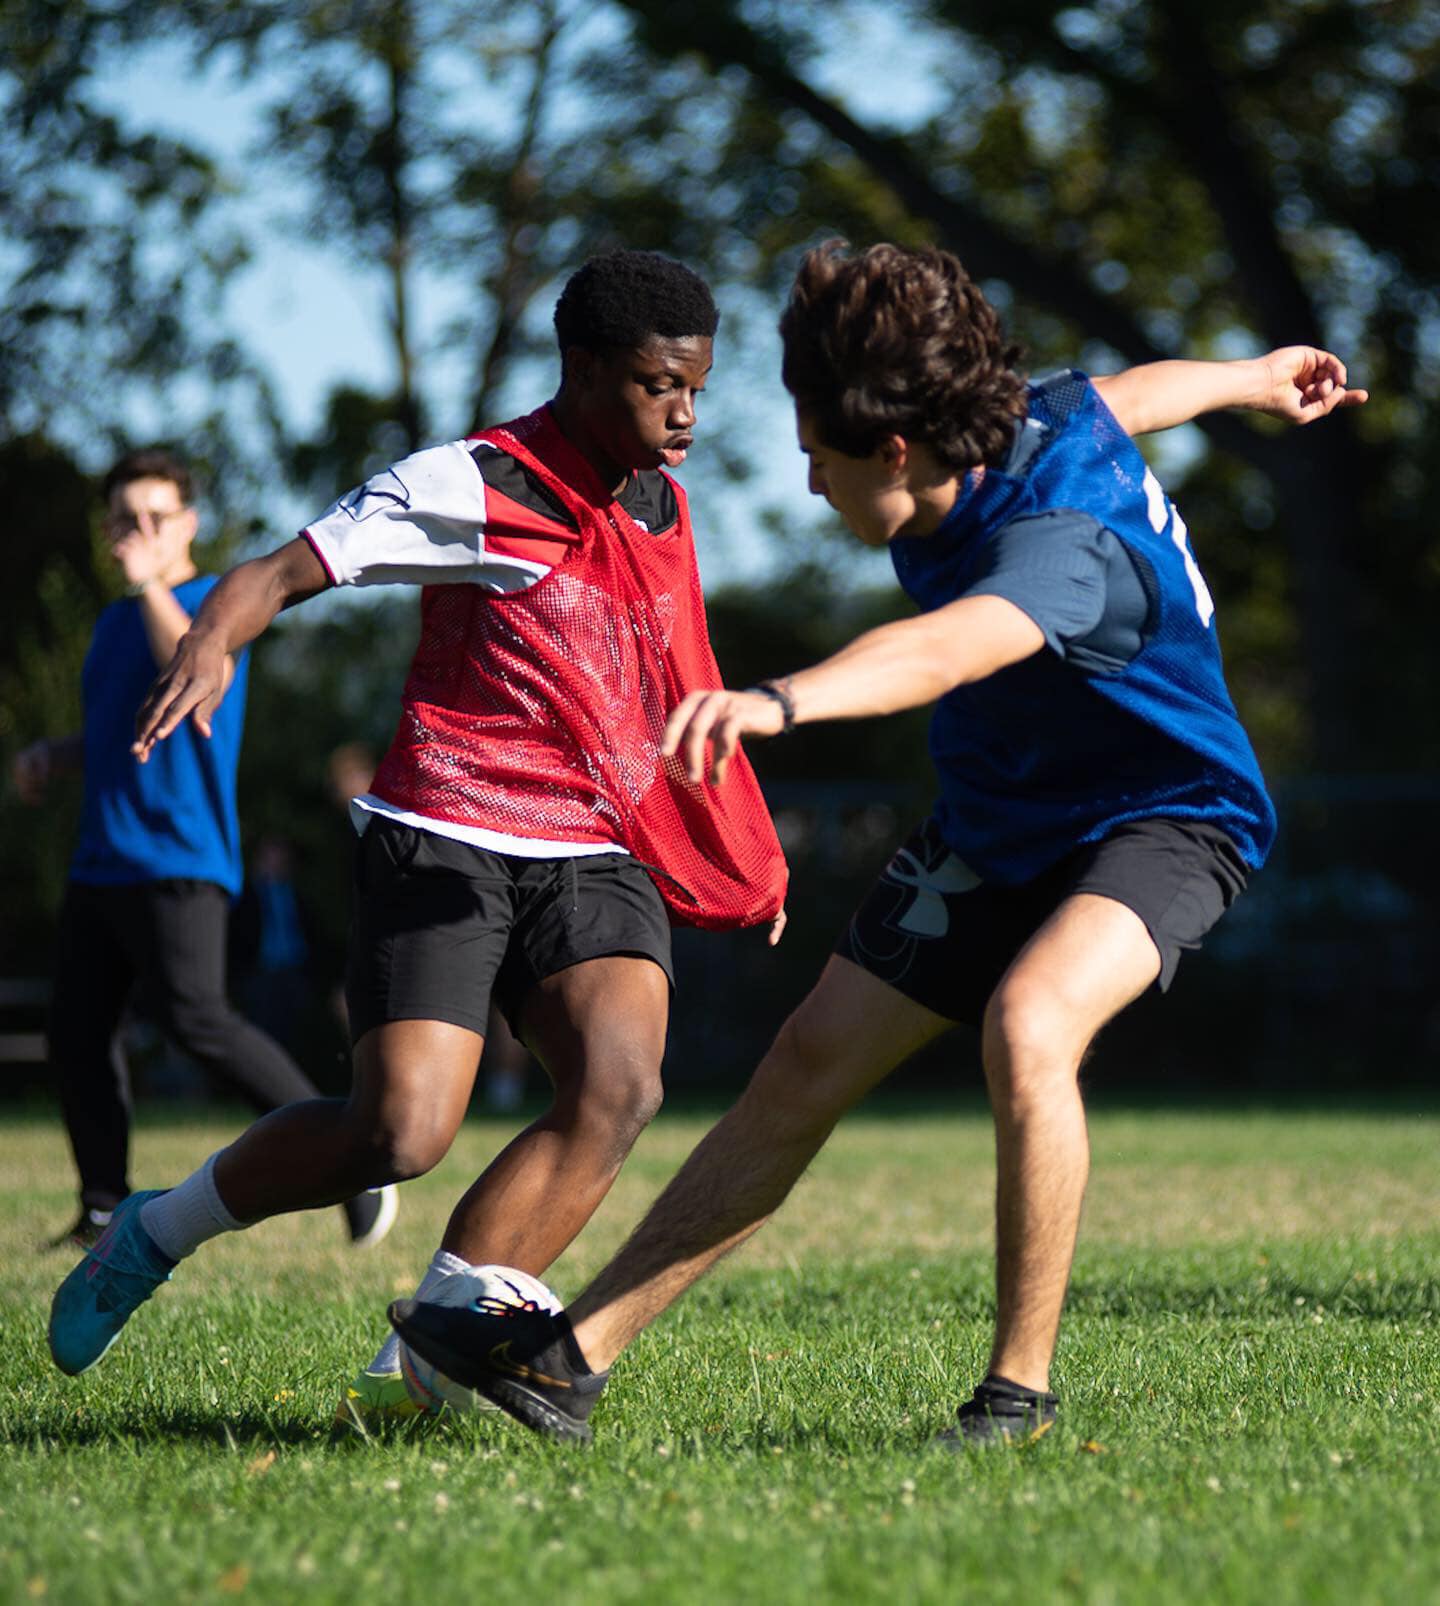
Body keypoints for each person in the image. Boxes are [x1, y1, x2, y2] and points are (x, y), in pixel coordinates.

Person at [388, 240, 1368, 1449]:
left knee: (1031, 1022)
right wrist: (1254, 375)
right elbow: (1126, 394)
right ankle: (568, 1365)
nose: (809, 486)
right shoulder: (1014, 418)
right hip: (999, 818)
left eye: (819, 458)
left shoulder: (1061, 547)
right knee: (806, 1060)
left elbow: (948, 648)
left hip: (1166, 817)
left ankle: (1017, 1395)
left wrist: (780, 700)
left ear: (894, 453)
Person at [46, 253, 788, 1418]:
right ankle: (158, 1226)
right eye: (658, 386)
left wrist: (732, 841)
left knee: (618, 1085)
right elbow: (282, 567)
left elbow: (673, 678)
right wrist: (211, 641)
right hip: (443, 835)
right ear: (584, 371)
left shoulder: (662, 497)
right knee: (396, 1131)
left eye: (697, 385)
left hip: (592, 843)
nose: (685, 412)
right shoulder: (474, 482)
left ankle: (423, 1364)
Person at [13, 449, 395, 1253]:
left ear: (185, 525)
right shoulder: (114, 621)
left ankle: (349, 1159)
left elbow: (187, 674)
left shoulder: (214, 608)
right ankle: (101, 1206)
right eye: (125, 519)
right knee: (77, 1033)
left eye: (155, 518)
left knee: (200, 1021)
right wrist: (60, 751)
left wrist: (151, 580)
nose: (137, 533)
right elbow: (127, 729)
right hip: (102, 861)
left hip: (178, 860)